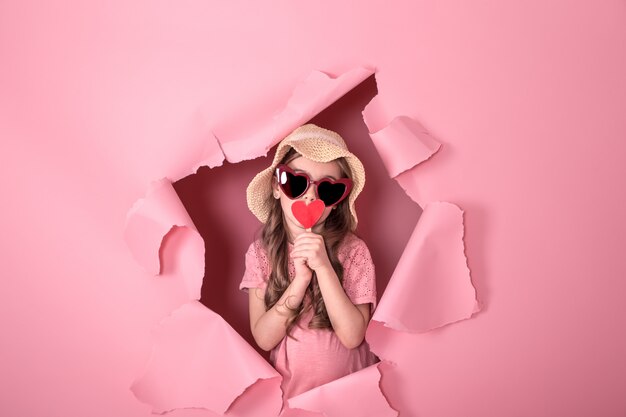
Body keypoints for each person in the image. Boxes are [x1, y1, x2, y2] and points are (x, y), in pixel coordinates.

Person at [240, 123, 378, 399]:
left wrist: (324, 267)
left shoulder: (354, 251)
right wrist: (300, 281)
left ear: (338, 201)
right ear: (277, 187)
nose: (311, 195)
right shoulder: (261, 253)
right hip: (294, 398)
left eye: (327, 189)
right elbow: (264, 338)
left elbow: (353, 337)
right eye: (297, 182)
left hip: (355, 394)